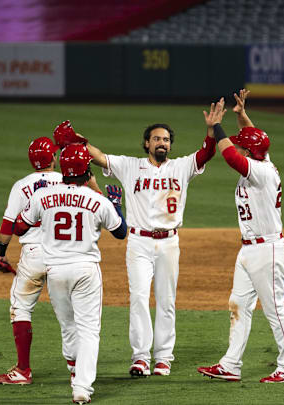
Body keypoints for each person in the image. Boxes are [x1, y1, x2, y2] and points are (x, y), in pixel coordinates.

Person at [80, 107, 218, 377]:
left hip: (169, 243)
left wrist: (211, 130)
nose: (162, 143)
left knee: (166, 301)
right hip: (139, 243)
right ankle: (141, 358)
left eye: (166, 140)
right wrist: (78, 142)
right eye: (157, 139)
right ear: (147, 143)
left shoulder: (181, 166)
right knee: (139, 298)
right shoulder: (131, 166)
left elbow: (206, 153)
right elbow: (98, 157)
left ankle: (164, 357)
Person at [197, 89, 284, 383]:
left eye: (244, 145)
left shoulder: (259, 171)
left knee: (275, 309)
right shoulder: (261, 159)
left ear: (250, 153)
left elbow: (230, 155)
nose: (239, 146)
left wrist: (216, 127)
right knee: (239, 304)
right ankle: (231, 364)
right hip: (249, 251)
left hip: (267, 250)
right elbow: (253, 138)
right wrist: (242, 116)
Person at [14, 144, 127, 404]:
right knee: (88, 330)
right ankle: (81, 388)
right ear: (87, 170)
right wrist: (115, 203)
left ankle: (74, 370)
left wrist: (38, 213)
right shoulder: (97, 200)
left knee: (68, 327)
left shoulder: (43, 197)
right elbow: (121, 232)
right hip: (86, 271)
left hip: (55, 271)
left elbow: (20, 228)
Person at [0, 136, 62, 385]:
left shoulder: (21, 186)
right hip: (65, 255)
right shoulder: (68, 183)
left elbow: (8, 224)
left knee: (21, 309)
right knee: (70, 313)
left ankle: (23, 371)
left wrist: (0, 253)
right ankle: (79, 370)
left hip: (33, 255)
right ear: (53, 158)